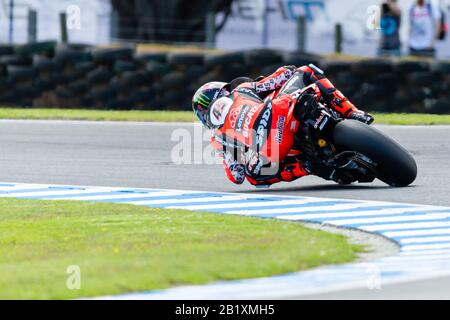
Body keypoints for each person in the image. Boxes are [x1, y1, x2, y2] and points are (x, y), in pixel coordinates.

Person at [192, 65, 374, 187]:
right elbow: (284, 75)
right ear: (223, 90)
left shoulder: (217, 137)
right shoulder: (242, 89)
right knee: (308, 70)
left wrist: (245, 150)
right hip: (280, 110)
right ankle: (351, 112)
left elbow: (237, 176)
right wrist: (287, 71)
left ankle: (310, 167)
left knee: (253, 177)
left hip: (270, 146)